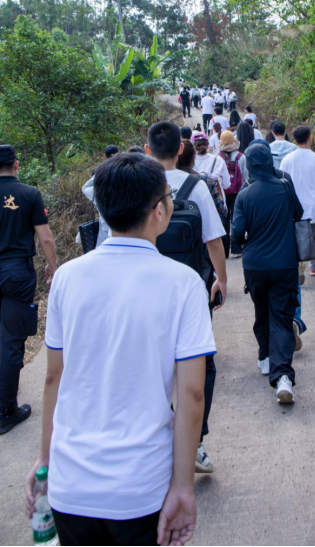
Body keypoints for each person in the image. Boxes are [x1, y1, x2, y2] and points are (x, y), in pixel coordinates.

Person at [25, 153, 215, 546]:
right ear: (159, 210)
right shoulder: (183, 284)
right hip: (141, 487)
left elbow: (53, 377)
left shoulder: (67, 278)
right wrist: (183, 486)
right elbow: (192, 393)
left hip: (70, 485)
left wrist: (44, 460)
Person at [146, 122, 227, 474]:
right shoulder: (196, 186)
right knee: (200, 364)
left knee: (153, 364)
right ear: (181, 149)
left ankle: (160, 438)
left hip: (147, 291)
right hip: (193, 289)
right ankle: (195, 441)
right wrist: (221, 278)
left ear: (147, 150)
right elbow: (213, 239)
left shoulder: (141, 187)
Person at [232, 144, 304, 405]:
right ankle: (283, 377)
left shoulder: (244, 195)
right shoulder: (284, 188)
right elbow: (299, 214)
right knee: (282, 317)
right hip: (284, 263)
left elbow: (237, 234)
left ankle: (265, 358)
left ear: (250, 166)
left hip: (255, 266)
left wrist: (247, 239)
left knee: (261, 311)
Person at [0, 146, 57, 435]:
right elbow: (45, 238)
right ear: (16, 164)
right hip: (15, 272)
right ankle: (6, 411)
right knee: (11, 341)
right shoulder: (29, 194)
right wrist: (53, 267)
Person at [280, 126, 315, 277]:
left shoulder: (287, 160)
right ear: (310, 138)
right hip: (313, 206)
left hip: (293, 206)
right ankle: (314, 267)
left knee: (294, 236)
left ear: (294, 140)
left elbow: (282, 184)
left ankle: (297, 264)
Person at [178, 141, 227, 225]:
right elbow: (221, 209)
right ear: (193, 158)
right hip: (202, 227)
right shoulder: (205, 179)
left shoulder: (164, 180)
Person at [217, 131, 248, 259]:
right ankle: (236, 249)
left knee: (223, 220)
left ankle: (224, 250)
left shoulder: (218, 157)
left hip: (222, 193)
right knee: (236, 219)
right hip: (237, 193)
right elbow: (246, 177)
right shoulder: (241, 157)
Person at [191, 132, 231, 201]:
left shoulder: (189, 162)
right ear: (208, 145)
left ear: (193, 146)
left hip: (197, 202)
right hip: (217, 202)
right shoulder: (218, 159)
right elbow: (226, 184)